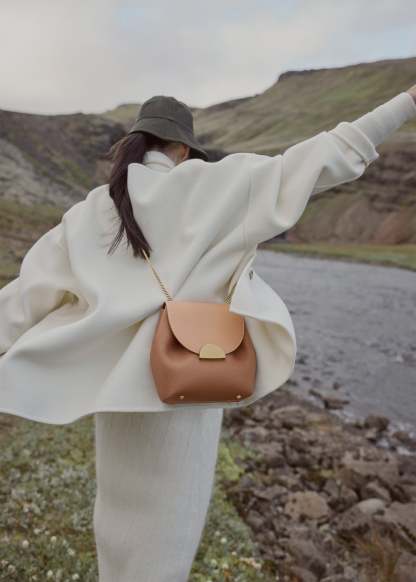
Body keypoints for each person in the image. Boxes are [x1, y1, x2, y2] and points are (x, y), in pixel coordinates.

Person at [0, 87, 416, 581]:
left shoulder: (93, 210)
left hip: (119, 397)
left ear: (136, 143)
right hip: (189, 389)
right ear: (182, 149)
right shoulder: (214, 184)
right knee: (168, 536)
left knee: (117, 522)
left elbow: (26, 297)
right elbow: (324, 156)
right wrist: (406, 102)